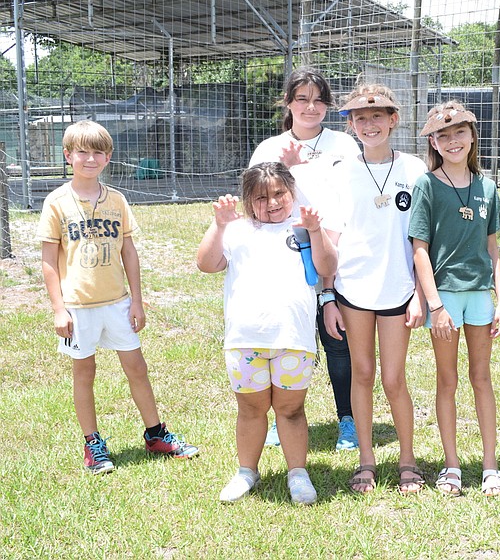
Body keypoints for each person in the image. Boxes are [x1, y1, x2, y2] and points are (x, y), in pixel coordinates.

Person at [37, 120, 199, 475]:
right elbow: (49, 261)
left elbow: (129, 252)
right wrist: (58, 308)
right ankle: (93, 444)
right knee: (85, 372)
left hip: (117, 302)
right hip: (79, 307)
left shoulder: (117, 200)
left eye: (98, 152)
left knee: (137, 367)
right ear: (68, 156)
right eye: (82, 151)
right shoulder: (56, 203)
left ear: (108, 158)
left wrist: (137, 301)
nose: (90, 158)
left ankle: (156, 434)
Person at [197, 162, 337, 504]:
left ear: (292, 191)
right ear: (248, 200)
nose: (272, 203)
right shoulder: (237, 230)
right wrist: (219, 225)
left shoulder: (303, 228)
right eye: (261, 197)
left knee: (290, 410)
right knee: (250, 409)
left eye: (279, 194)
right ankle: (247, 470)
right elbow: (206, 263)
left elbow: (328, 267)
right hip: (246, 339)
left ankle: (298, 473)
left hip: (293, 339)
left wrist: (316, 231)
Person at [322, 84, 427, 495]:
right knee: (361, 374)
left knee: (394, 378)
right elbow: (329, 239)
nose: (369, 124)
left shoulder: (414, 169)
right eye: (360, 118)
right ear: (350, 125)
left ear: (393, 120)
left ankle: (407, 460)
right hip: (352, 290)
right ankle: (366, 460)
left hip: (399, 289)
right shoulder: (341, 171)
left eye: (378, 117)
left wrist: (419, 293)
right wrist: (328, 296)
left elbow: (424, 237)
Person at [249, 66, 361, 451]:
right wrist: (288, 168)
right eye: (302, 99)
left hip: (334, 249)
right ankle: (284, 418)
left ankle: (347, 418)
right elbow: (257, 202)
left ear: (327, 106)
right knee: (287, 339)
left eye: (318, 100)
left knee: (337, 337)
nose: (311, 107)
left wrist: (332, 249)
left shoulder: (345, 146)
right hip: (285, 257)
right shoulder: (269, 149)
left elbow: (351, 201)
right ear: (288, 103)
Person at [409, 101, 500, 497]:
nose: (453, 141)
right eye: (443, 135)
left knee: (481, 378)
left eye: (460, 133)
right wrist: (435, 305)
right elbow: (420, 249)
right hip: (445, 298)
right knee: (447, 380)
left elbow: (493, 249)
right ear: (433, 141)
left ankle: (490, 466)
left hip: (479, 298)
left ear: (472, 136)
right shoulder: (426, 185)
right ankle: (451, 466)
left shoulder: (487, 187)